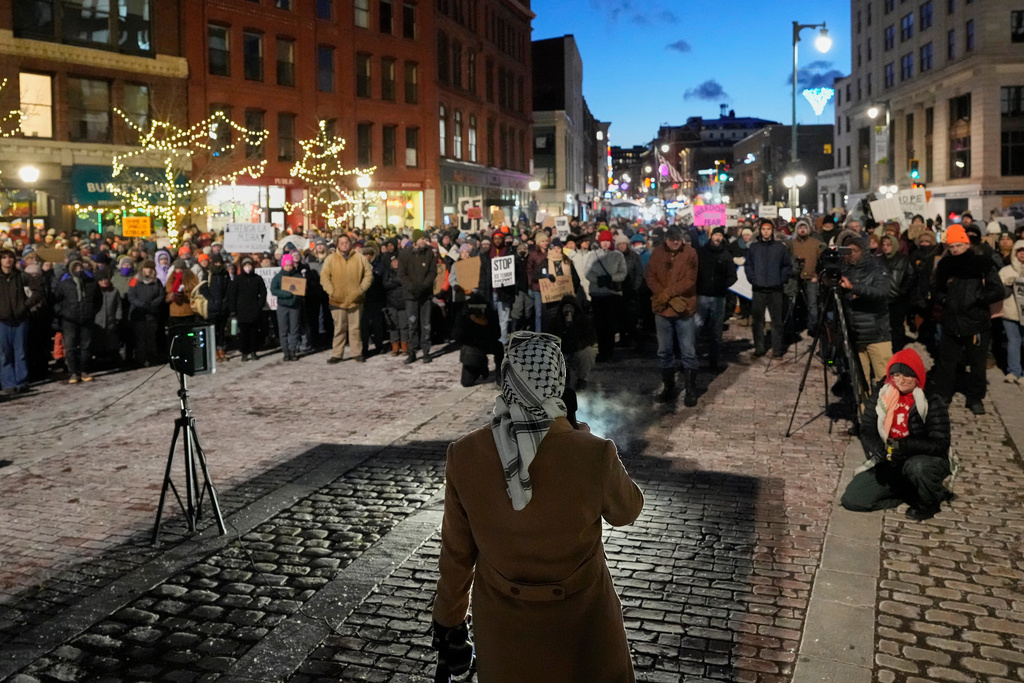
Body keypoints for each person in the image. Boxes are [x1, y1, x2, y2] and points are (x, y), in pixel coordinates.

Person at [432, 331, 644, 683]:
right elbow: (628, 511)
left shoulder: (465, 454)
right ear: (559, 381)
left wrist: (448, 620)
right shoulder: (593, 453)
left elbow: (457, 553)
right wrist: (578, 431)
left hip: (506, 634)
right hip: (583, 629)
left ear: (507, 379)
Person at [841, 349, 954, 521]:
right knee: (853, 499)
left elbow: (940, 443)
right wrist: (877, 448)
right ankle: (906, 492)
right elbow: (867, 428)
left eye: (907, 376)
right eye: (896, 375)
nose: (900, 381)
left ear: (917, 376)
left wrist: (906, 445)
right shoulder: (882, 393)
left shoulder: (931, 398)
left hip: (922, 458)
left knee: (918, 468)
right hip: (890, 459)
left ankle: (928, 503)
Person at [931, 224, 1007, 414]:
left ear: (966, 244)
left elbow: (998, 290)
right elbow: (935, 287)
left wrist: (979, 299)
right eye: (952, 246)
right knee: (946, 362)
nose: (955, 249)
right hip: (951, 321)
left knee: (977, 364)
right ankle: (943, 395)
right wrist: (942, 298)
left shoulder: (981, 263)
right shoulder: (946, 265)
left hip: (976, 322)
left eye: (958, 245)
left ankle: (975, 398)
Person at [647, 225, 700, 405]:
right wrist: (665, 297)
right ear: (666, 239)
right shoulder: (657, 253)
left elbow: (690, 280)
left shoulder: (690, 253)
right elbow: (650, 277)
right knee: (664, 351)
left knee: (688, 351)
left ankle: (691, 389)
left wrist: (666, 295)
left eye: (678, 238)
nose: (675, 241)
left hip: (684, 308)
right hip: (663, 310)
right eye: (671, 238)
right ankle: (669, 387)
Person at [837, 229, 893, 391]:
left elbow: (882, 292)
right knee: (860, 383)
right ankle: (864, 413)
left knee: (884, 380)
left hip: (876, 334)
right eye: (848, 251)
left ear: (864, 251)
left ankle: (885, 415)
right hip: (855, 334)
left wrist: (854, 287)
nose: (851, 255)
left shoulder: (877, 268)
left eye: (855, 251)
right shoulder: (844, 270)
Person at [321, 234, 373, 364]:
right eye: (342, 243)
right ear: (338, 244)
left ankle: (357, 352)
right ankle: (337, 354)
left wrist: (361, 289)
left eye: (346, 242)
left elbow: (368, 274)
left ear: (350, 243)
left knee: (355, 328)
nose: (344, 245)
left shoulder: (360, 258)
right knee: (339, 328)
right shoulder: (330, 259)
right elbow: (324, 277)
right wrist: (332, 291)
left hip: (355, 299)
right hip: (337, 300)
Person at [745, 218, 792, 358]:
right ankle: (759, 348)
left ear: (773, 231)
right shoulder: (754, 247)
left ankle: (777, 349)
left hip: (775, 289)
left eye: (768, 229)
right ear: (760, 231)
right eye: (763, 229)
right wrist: (753, 279)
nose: (766, 232)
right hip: (758, 289)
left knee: (776, 321)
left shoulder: (780, 247)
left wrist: (780, 279)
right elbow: (749, 265)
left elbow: (787, 266)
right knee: (758, 321)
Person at [0, 248, 42, 394]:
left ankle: (22, 382)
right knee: (4, 354)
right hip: (2, 321)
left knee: (20, 352)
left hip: (20, 319)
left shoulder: (21, 276)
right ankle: (8, 384)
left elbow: (38, 291)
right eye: (4, 257)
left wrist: (25, 306)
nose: (7, 260)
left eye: (10, 257)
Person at [696, 227, 738, 372]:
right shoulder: (702, 252)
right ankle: (691, 359)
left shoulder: (726, 255)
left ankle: (713, 360)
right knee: (697, 328)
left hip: (719, 297)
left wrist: (723, 285)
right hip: (702, 295)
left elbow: (733, 276)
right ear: (711, 236)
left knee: (716, 331)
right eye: (716, 235)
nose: (718, 238)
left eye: (720, 235)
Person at [55, 258, 100, 384]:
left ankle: (84, 370)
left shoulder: (91, 283)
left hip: (87, 318)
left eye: (80, 268)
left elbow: (98, 300)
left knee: (86, 346)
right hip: (69, 320)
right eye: (75, 268)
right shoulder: (64, 284)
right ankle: (73, 372)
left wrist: (92, 312)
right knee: (70, 347)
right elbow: (56, 301)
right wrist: (63, 312)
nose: (78, 270)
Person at [398, 229, 438, 364]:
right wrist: (412, 288)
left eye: (426, 239)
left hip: (425, 295)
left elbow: (433, 272)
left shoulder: (429, 254)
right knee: (412, 324)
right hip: (411, 296)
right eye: (422, 239)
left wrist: (424, 286)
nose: (425, 242)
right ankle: (412, 351)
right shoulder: (404, 254)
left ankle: (426, 351)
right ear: (416, 240)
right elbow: (402, 274)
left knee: (426, 324)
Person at [586, 230, 627, 362]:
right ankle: (602, 350)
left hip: (611, 294)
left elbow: (623, 273)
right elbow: (587, 271)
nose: (604, 243)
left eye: (607, 241)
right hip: (597, 294)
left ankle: (609, 351)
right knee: (599, 324)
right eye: (603, 241)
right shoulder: (593, 255)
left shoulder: (618, 255)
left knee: (609, 324)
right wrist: (598, 280)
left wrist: (611, 278)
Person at [452, 292, 503, 386]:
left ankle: (500, 375)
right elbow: (456, 336)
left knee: (499, 347)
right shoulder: (463, 313)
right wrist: (467, 320)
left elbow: (497, 334)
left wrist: (486, 323)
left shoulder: (490, 311)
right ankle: (480, 367)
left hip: (487, 341)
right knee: (466, 383)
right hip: (471, 346)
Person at [790, 217, 824, 335]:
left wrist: (818, 275)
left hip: (811, 278)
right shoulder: (791, 244)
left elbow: (822, 261)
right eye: (800, 227)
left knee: (812, 304)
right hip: (795, 279)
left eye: (805, 227)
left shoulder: (815, 243)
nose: (802, 230)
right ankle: (795, 326)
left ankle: (813, 327)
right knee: (795, 304)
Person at [229, 256, 267, 362]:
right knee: (243, 333)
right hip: (241, 311)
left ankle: (253, 351)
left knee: (254, 333)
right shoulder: (238, 279)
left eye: (249, 265)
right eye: (245, 265)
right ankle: (244, 352)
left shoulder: (257, 279)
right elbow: (232, 295)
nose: (248, 267)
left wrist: (259, 306)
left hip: (254, 311)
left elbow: (263, 293)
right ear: (242, 267)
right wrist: (233, 310)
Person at [127, 260, 164, 367]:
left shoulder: (157, 281)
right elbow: (131, 295)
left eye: (150, 268)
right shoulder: (134, 280)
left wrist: (153, 304)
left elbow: (161, 295)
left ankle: (152, 358)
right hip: (139, 314)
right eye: (146, 268)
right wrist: (141, 304)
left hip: (152, 314)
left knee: (151, 337)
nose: (148, 270)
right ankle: (140, 359)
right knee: (140, 339)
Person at [879, 234, 913, 351]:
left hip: (898, 299)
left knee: (897, 327)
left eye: (888, 245)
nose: (885, 247)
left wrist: (901, 292)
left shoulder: (903, 260)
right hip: (882, 298)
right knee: (883, 326)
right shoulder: (878, 260)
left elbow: (910, 276)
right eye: (883, 245)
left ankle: (898, 351)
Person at [270, 254, 304, 361]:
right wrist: (286, 294)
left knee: (294, 329)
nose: (288, 267)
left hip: (295, 306)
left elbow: (301, 289)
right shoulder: (278, 277)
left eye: (290, 265)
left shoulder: (297, 276)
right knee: (283, 329)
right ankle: (285, 351)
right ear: (283, 265)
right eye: (286, 265)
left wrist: (295, 297)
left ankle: (293, 350)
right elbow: (273, 290)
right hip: (282, 306)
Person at [999, 240, 1024, 385]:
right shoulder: (1006, 271)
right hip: (1010, 313)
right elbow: (998, 292)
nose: (1022, 254)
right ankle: (1013, 371)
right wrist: (1006, 284)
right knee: (1013, 342)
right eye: (1019, 251)